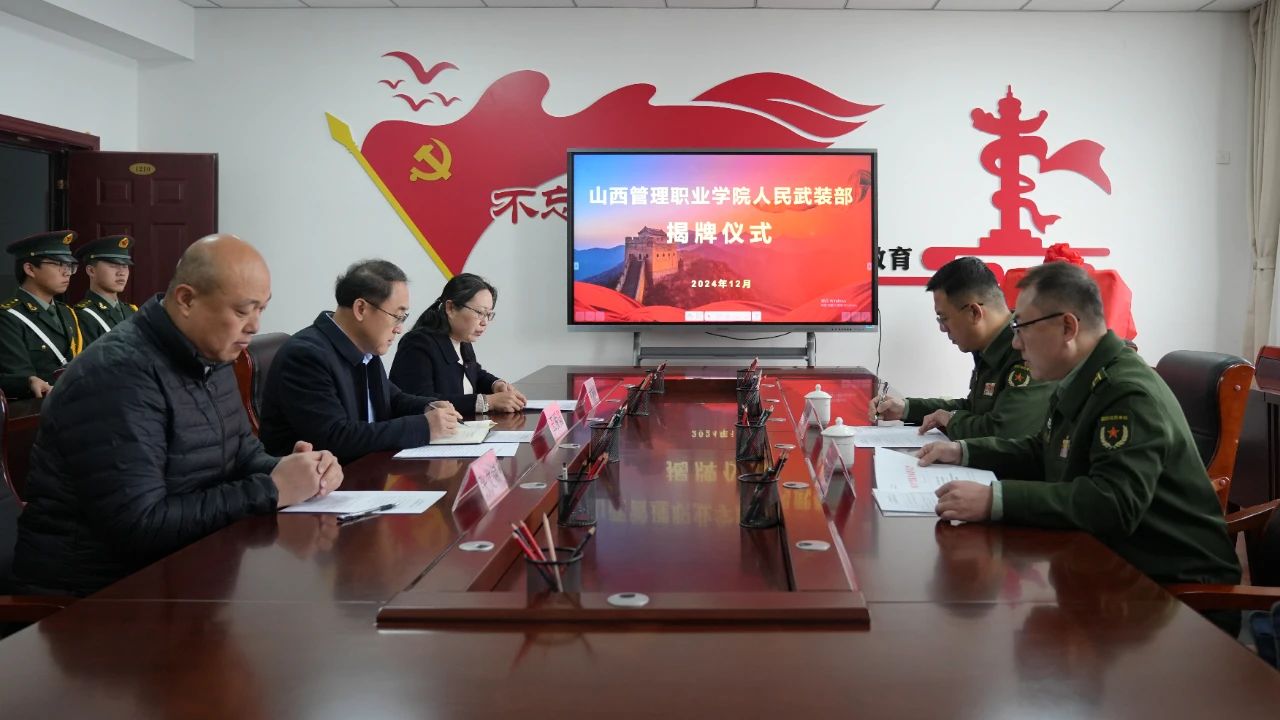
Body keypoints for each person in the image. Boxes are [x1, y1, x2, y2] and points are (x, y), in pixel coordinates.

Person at [12, 234, 343, 597]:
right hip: (100, 596)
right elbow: (141, 526)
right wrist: (271, 489)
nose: (254, 326)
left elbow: (242, 454)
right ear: (186, 299)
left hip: (186, 572)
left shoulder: (212, 355)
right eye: (242, 311)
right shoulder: (117, 376)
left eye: (261, 309)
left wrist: (295, 470)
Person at [918, 261, 1239, 591]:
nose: (1015, 343)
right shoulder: (1081, 376)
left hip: (1176, 588)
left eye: (1021, 327)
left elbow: (1112, 503)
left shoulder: (1127, 393)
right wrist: (963, 451)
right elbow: (1043, 449)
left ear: (1067, 327)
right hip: (1111, 565)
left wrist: (996, 499)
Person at [258, 259, 462, 464]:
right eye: (397, 316)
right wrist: (424, 427)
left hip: (367, 469)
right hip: (327, 477)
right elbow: (335, 437)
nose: (399, 328)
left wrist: (427, 407)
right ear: (361, 309)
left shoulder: (366, 348)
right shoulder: (306, 356)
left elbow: (392, 399)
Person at [869, 256, 1053, 440]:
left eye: (944, 318)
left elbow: (1005, 431)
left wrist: (952, 420)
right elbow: (974, 409)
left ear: (974, 312)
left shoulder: (1028, 348)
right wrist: (906, 409)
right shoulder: (989, 347)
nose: (942, 328)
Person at [389, 272, 526, 414]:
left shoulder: (462, 339)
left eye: (488, 314)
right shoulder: (417, 344)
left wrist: (496, 384)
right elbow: (420, 401)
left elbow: (475, 374)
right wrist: (487, 402)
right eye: (479, 312)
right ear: (451, 308)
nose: (484, 322)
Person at [0, 230, 85, 399]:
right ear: (30, 269)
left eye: (69, 266)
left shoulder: (67, 312)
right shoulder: (9, 317)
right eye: (58, 264)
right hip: (36, 408)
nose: (67, 272)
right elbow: (18, 375)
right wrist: (29, 381)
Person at [73, 234, 138, 345]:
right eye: (113, 265)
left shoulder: (132, 311)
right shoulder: (83, 315)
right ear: (91, 271)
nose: (121, 273)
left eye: (125, 266)